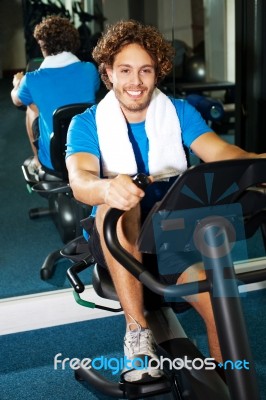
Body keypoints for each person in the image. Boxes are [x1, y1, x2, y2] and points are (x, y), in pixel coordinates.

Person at [65, 20, 266, 383]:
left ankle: (227, 381)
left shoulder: (178, 112)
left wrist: (258, 163)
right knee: (118, 206)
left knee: (221, 303)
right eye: (125, 70)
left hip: (170, 232)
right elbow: (80, 180)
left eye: (145, 70)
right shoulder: (86, 123)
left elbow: (223, 153)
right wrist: (106, 189)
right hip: (118, 240)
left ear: (158, 71)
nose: (136, 82)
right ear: (108, 73)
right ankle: (137, 335)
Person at [11, 15, 100, 178]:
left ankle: (38, 162)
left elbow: (16, 100)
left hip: (55, 161)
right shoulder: (90, 69)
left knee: (31, 107)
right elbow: (91, 90)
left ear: (42, 46)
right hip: (92, 152)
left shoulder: (31, 79)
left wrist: (17, 83)